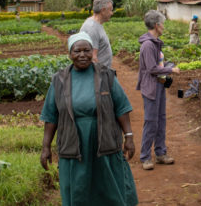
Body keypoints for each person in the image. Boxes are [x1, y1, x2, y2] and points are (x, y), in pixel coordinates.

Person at [40, 32, 137, 206]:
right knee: (78, 184)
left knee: (108, 183)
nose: (82, 55)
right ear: (70, 53)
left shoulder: (106, 76)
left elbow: (122, 108)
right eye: (77, 51)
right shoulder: (59, 80)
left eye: (87, 50)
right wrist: (46, 147)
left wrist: (129, 136)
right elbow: (51, 117)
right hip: (73, 140)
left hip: (104, 138)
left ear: (93, 52)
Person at [137, 10, 180, 170]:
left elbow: (157, 65)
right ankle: (145, 157)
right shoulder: (148, 45)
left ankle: (161, 153)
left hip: (159, 86)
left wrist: (167, 65)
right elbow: (151, 69)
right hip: (151, 88)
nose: (164, 26)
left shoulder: (156, 41)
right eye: (162, 23)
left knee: (161, 120)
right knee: (151, 122)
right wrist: (171, 70)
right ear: (156, 25)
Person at [80, 0, 114, 68]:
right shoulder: (92, 28)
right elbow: (92, 57)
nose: (112, 13)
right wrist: (101, 73)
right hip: (98, 75)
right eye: (110, 10)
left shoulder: (97, 25)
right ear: (103, 10)